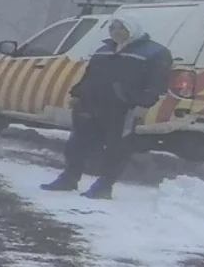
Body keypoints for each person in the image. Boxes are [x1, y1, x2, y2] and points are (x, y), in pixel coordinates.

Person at [42, 15, 173, 198]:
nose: (116, 32)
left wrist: (143, 104)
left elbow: (157, 83)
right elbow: (90, 76)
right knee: (77, 144)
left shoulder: (154, 53)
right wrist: (78, 94)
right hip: (91, 105)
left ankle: (104, 186)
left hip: (122, 108)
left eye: (121, 28)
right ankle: (68, 178)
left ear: (132, 30)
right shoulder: (104, 50)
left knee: (116, 148)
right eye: (113, 28)